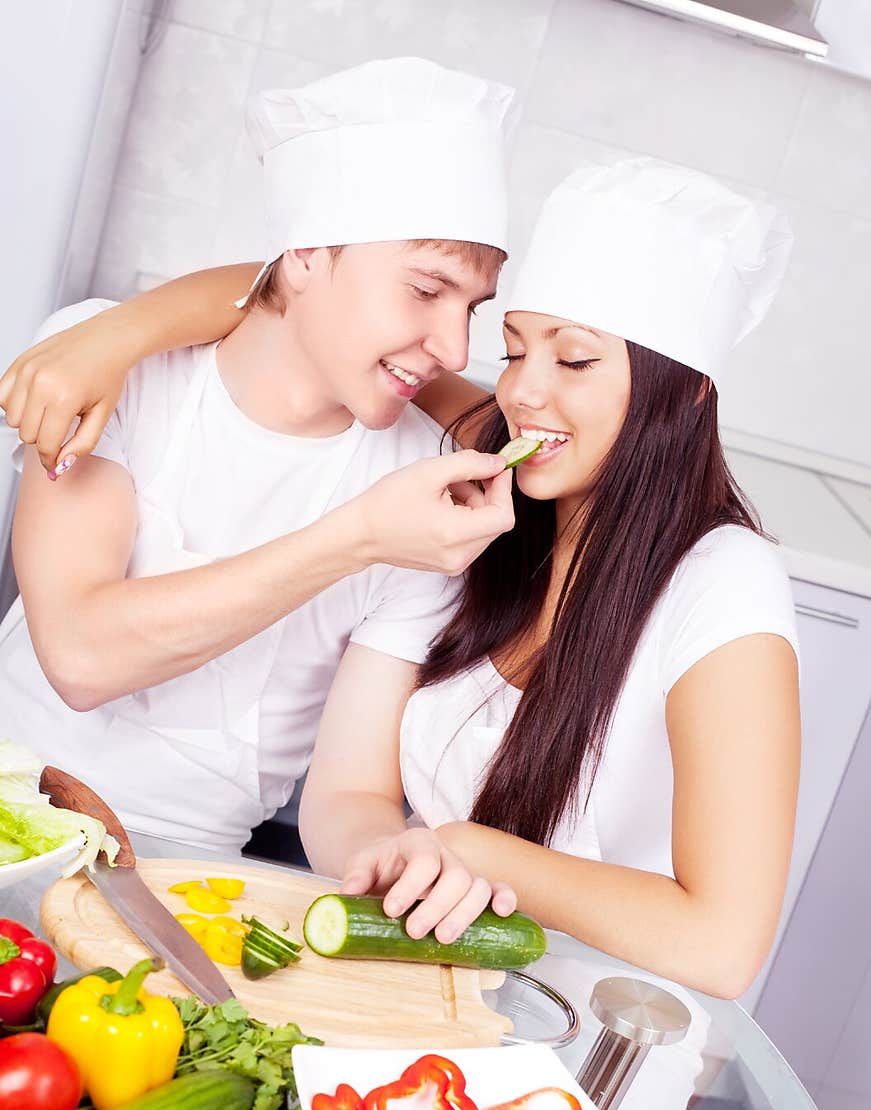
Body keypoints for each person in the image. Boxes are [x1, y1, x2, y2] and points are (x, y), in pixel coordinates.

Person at [1, 159, 801, 1001]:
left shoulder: (723, 578)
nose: (523, 389)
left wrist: (471, 850)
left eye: (575, 361)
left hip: (603, 1035)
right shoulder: (490, 497)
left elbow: (723, 946)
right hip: (442, 994)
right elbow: (303, 305)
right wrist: (113, 334)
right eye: (517, 348)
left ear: (687, 392)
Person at [0, 57, 521, 932]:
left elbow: (345, 795)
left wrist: (391, 850)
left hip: (189, 881)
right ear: (310, 251)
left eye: (474, 307)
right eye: (428, 289)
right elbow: (82, 657)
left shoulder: (431, 493)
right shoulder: (118, 372)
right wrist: (354, 538)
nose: (453, 342)